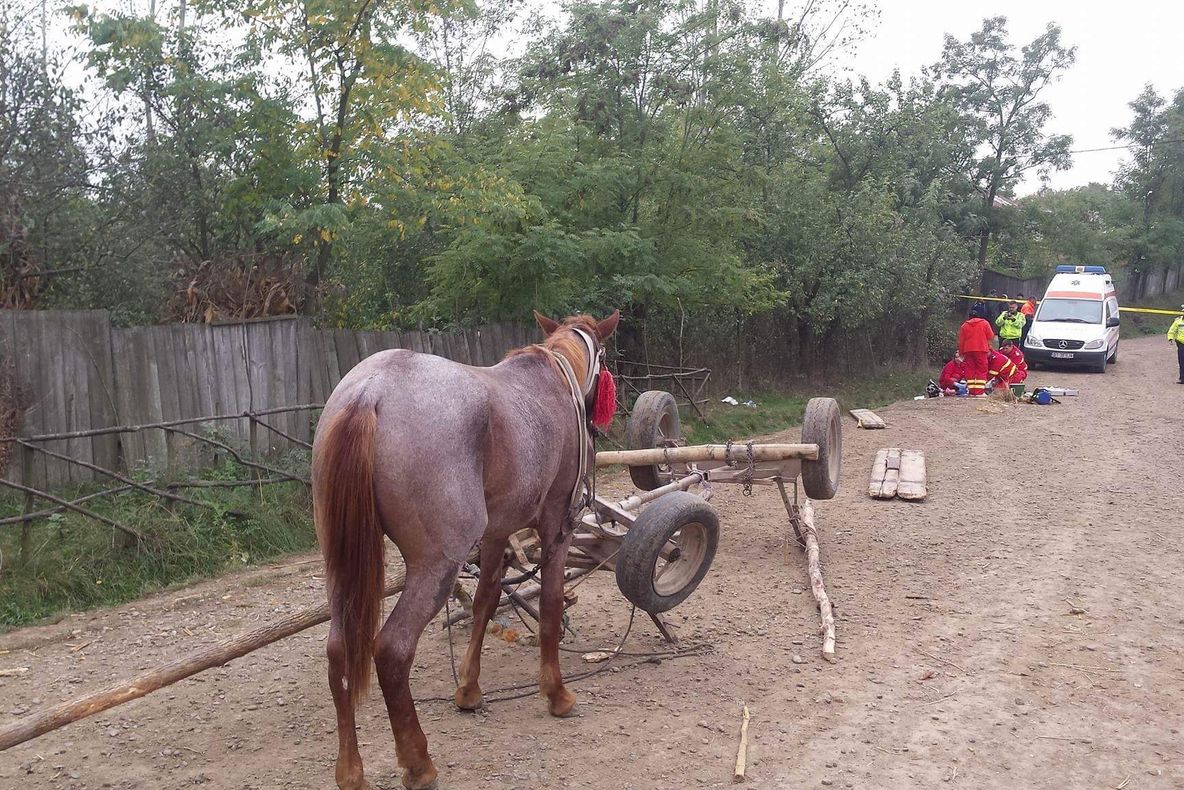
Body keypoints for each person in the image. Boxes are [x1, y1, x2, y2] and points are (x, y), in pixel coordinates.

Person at [957, 308, 995, 395]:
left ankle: (972, 391)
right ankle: (979, 391)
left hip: (968, 350)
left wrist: (961, 354)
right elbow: (991, 336)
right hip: (981, 349)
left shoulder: (964, 326)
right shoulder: (984, 323)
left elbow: (961, 341)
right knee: (981, 370)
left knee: (970, 369)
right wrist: (988, 346)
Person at [1169, 306, 1184, 384]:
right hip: (1181, 344)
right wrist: (1170, 338)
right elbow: (1172, 330)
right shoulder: (1178, 321)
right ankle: (1182, 379)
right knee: (1182, 362)